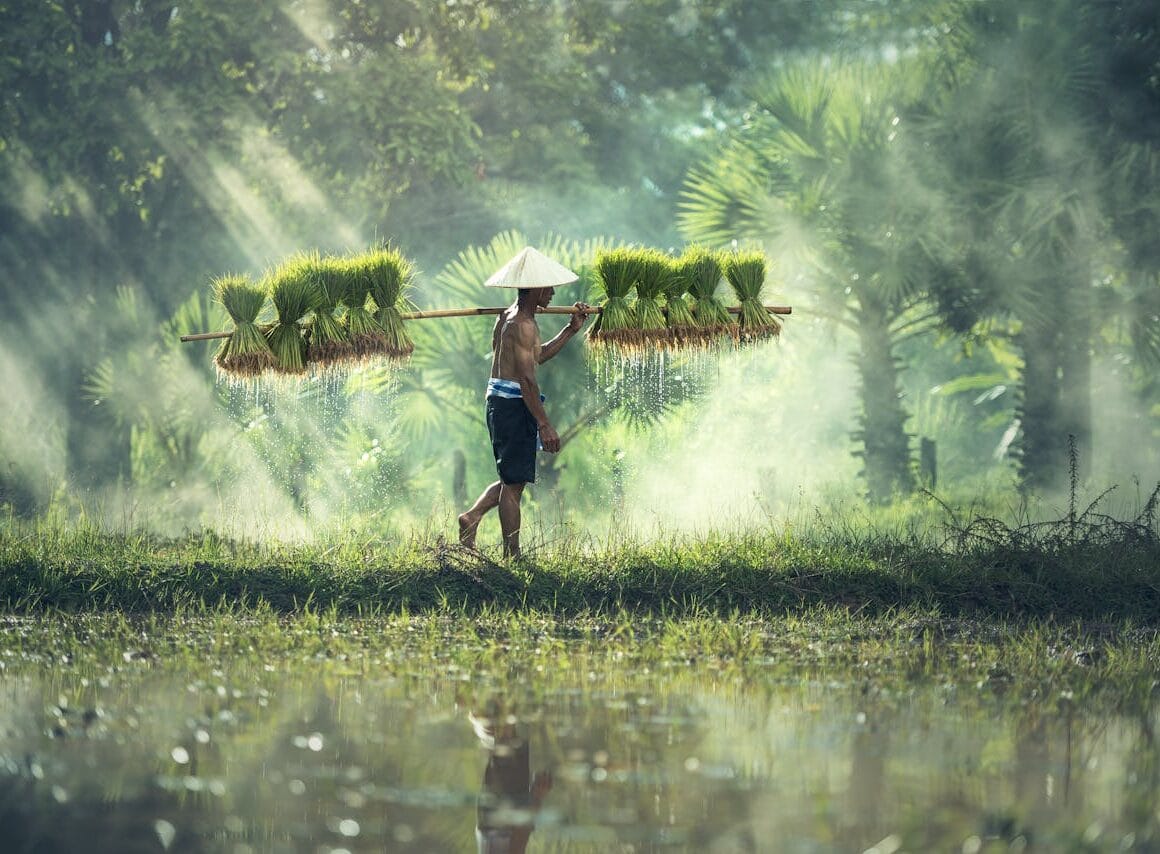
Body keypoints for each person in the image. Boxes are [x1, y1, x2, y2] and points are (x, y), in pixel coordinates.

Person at [458, 284, 590, 558]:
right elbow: (527, 379)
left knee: (512, 478)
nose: (552, 294)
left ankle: (472, 517)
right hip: (512, 404)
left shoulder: (506, 316)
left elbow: (536, 356)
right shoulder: (523, 325)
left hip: (499, 400)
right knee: (513, 485)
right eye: (548, 288)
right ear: (535, 289)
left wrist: (571, 329)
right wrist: (544, 424)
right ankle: (512, 555)